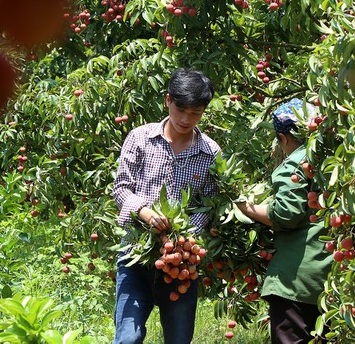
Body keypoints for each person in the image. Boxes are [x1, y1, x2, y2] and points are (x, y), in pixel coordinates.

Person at [111, 68, 220, 344]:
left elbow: (208, 204)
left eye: (195, 113)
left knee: (179, 340)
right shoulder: (140, 138)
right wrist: (145, 212)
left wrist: (185, 238)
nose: (186, 119)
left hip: (181, 262)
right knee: (128, 338)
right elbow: (121, 188)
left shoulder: (210, 153)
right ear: (168, 100)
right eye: (180, 109)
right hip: (135, 255)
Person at [236, 98, 333, 344]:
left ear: (284, 138)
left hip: (296, 281)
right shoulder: (334, 162)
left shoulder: (295, 165)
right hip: (331, 276)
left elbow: (286, 215)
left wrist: (246, 207)